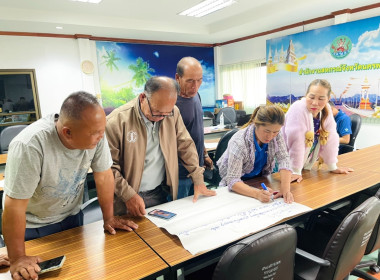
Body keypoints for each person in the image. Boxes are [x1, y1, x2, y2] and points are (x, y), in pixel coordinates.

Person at [3, 91, 138, 280]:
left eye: (102, 130)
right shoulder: (30, 145)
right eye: (95, 133)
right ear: (67, 132)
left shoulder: (95, 134)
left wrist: (109, 218)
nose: (101, 137)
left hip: (72, 218)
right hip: (34, 227)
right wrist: (17, 257)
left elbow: (104, 176)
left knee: (79, 272)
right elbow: (14, 206)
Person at [105, 76, 216, 217]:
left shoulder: (173, 113)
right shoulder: (116, 122)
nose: (161, 118)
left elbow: (186, 146)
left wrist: (198, 179)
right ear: (143, 97)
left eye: (166, 113)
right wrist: (128, 195)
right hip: (125, 199)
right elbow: (109, 169)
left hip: (159, 193)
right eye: (156, 112)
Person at [217, 105, 294, 203]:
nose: (270, 136)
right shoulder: (239, 142)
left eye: (275, 132)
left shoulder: (276, 135)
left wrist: (285, 190)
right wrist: (257, 194)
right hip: (238, 186)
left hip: (257, 180)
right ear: (255, 124)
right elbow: (232, 180)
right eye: (267, 131)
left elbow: (284, 159)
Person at [282, 79, 354, 183]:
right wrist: (295, 170)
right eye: (311, 97)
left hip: (300, 163)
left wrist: (332, 166)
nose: (315, 103)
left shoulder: (327, 110)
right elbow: (296, 142)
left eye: (321, 98)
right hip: (283, 162)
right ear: (306, 95)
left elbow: (331, 138)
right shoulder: (297, 108)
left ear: (328, 98)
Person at [174, 57, 213, 199]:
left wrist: (205, 154)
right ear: (178, 78)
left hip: (198, 169)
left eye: (199, 80)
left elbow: (197, 129)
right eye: (190, 81)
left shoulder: (197, 95)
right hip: (180, 173)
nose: (195, 86)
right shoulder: (171, 104)